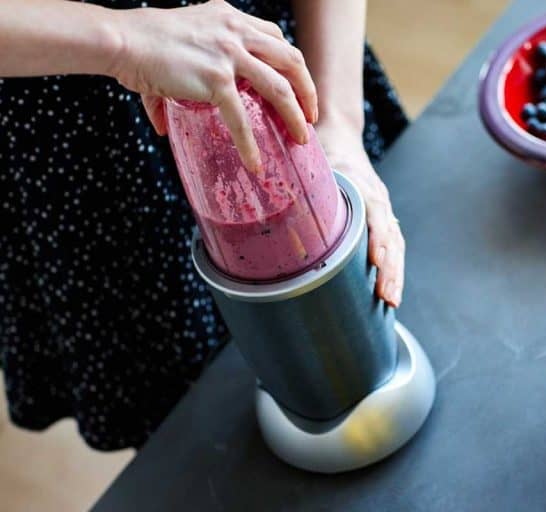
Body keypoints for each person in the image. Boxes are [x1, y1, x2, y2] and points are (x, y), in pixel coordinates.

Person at [0, 0, 407, 449]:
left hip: (266, 67)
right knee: (200, 436)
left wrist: (339, 124)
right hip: (86, 150)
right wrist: (123, 41)